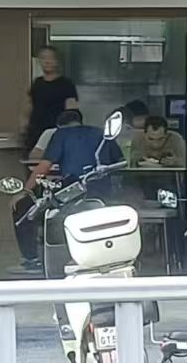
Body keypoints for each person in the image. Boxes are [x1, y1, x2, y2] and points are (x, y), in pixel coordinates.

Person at [11, 110, 124, 272]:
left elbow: (43, 167)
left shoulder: (61, 135)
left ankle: (31, 261)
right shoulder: (101, 133)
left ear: (60, 126)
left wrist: (25, 191)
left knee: (23, 207)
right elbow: (121, 162)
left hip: (74, 193)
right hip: (104, 193)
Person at [21, 47, 79, 156]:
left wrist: (70, 131)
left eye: (50, 58)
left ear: (56, 61)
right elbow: (29, 106)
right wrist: (24, 126)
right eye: (43, 58)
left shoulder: (66, 84)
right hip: (35, 132)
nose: (47, 61)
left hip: (57, 132)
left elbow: (72, 110)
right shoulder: (37, 83)